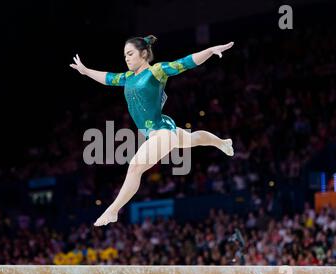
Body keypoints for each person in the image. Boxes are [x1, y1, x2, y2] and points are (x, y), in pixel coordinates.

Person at [70, 35, 235, 226]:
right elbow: (107, 78)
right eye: (125, 55)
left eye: (130, 53)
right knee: (193, 138)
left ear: (144, 53)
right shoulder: (127, 77)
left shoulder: (155, 71)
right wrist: (85, 71)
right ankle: (223, 142)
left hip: (161, 131)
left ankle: (112, 211)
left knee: (135, 167)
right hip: (161, 129)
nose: (127, 58)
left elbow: (184, 63)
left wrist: (209, 51)